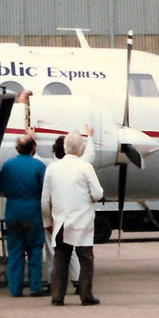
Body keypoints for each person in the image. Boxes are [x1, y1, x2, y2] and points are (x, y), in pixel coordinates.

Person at [42, 131, 104, 306]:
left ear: (64, 147)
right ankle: (86, 295)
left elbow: (45, 200)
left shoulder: (52, 168)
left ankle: (57, 296)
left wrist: (47, 222)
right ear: (81, 148)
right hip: (82, 222)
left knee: (60, 259)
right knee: (85, 259)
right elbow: (98, 194)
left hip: (60, 221)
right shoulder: (85, 167)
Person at [0, 131, 46, 297]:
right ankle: (35, 287)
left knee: (15, 252)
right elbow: (46, 189)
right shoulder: (38, 166)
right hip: (32, 212)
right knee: (35, 251)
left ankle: (15, 289)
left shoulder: (8, 165)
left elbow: (0, 186)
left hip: (13, 212)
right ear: (33, 148)